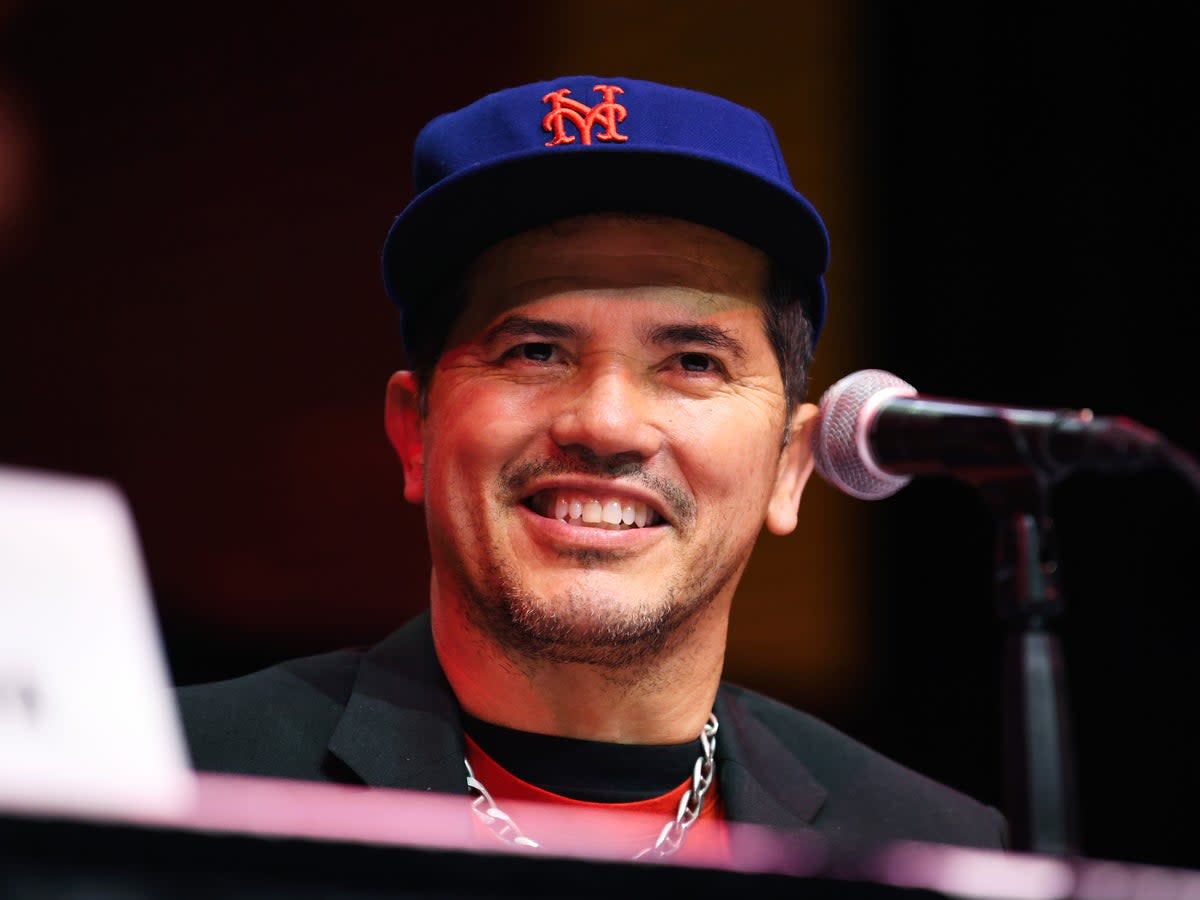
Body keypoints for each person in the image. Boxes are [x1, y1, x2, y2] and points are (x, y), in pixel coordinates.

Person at [177, 75, 1008, 866]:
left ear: (791, 467)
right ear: (416, 433)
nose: (606, 424)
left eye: (691, 362)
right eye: (535, 351)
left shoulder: (931, 852)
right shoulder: (173, 780)